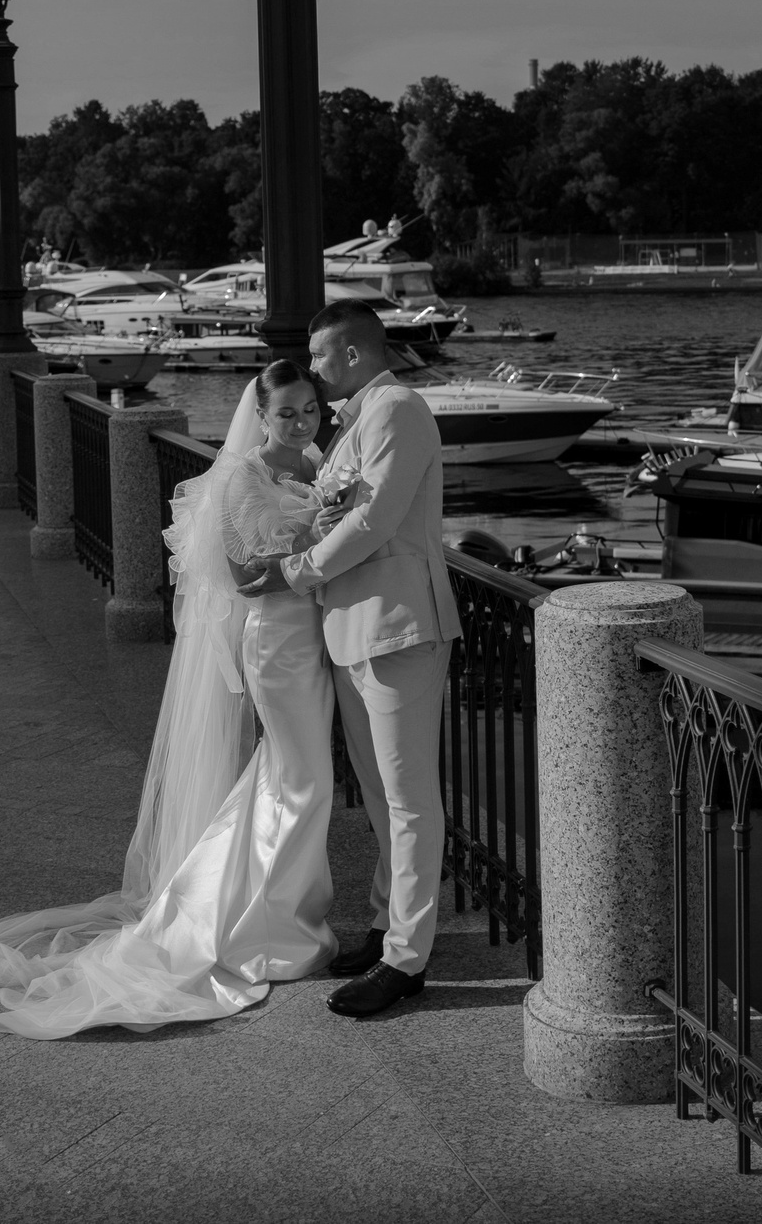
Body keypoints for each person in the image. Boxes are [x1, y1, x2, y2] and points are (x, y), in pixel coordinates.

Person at [0, 360, 342, 1037]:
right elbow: (245, 576)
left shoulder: (313, 465)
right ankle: (267, 929)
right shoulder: (242, 476)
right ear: (260, 416)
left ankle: (274, 912)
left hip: (309, 645)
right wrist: (320, 541)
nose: (300, 421)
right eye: (286, 411)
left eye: (309, 409)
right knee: (303, 780)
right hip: (274, 645)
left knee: (292, 777)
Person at [240, 299, 460, 1018]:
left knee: (408, 799)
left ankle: (407, 959)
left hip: (398, 626)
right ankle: (385, 925)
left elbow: (374, 519)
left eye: (323, 356)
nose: (315, 368)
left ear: (355, 353)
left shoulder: (397, 408)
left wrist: (294, 570)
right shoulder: (353, 422)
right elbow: (340, 507)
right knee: (379, 796)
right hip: (353, 629)